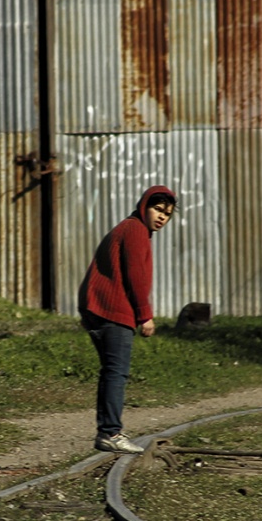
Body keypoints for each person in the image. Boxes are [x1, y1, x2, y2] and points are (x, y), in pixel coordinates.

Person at [78, 184, 177, 454]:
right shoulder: (135, 231)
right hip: (113, 312)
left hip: (101, 309)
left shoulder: (131, 228)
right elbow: (136, 277)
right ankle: (110, 432)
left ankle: (108, 431)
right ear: (144, 205)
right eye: (157, 209)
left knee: (112, 372)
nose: (161, 217)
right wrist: (145, 315)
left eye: (167, 214)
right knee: (116, 373)